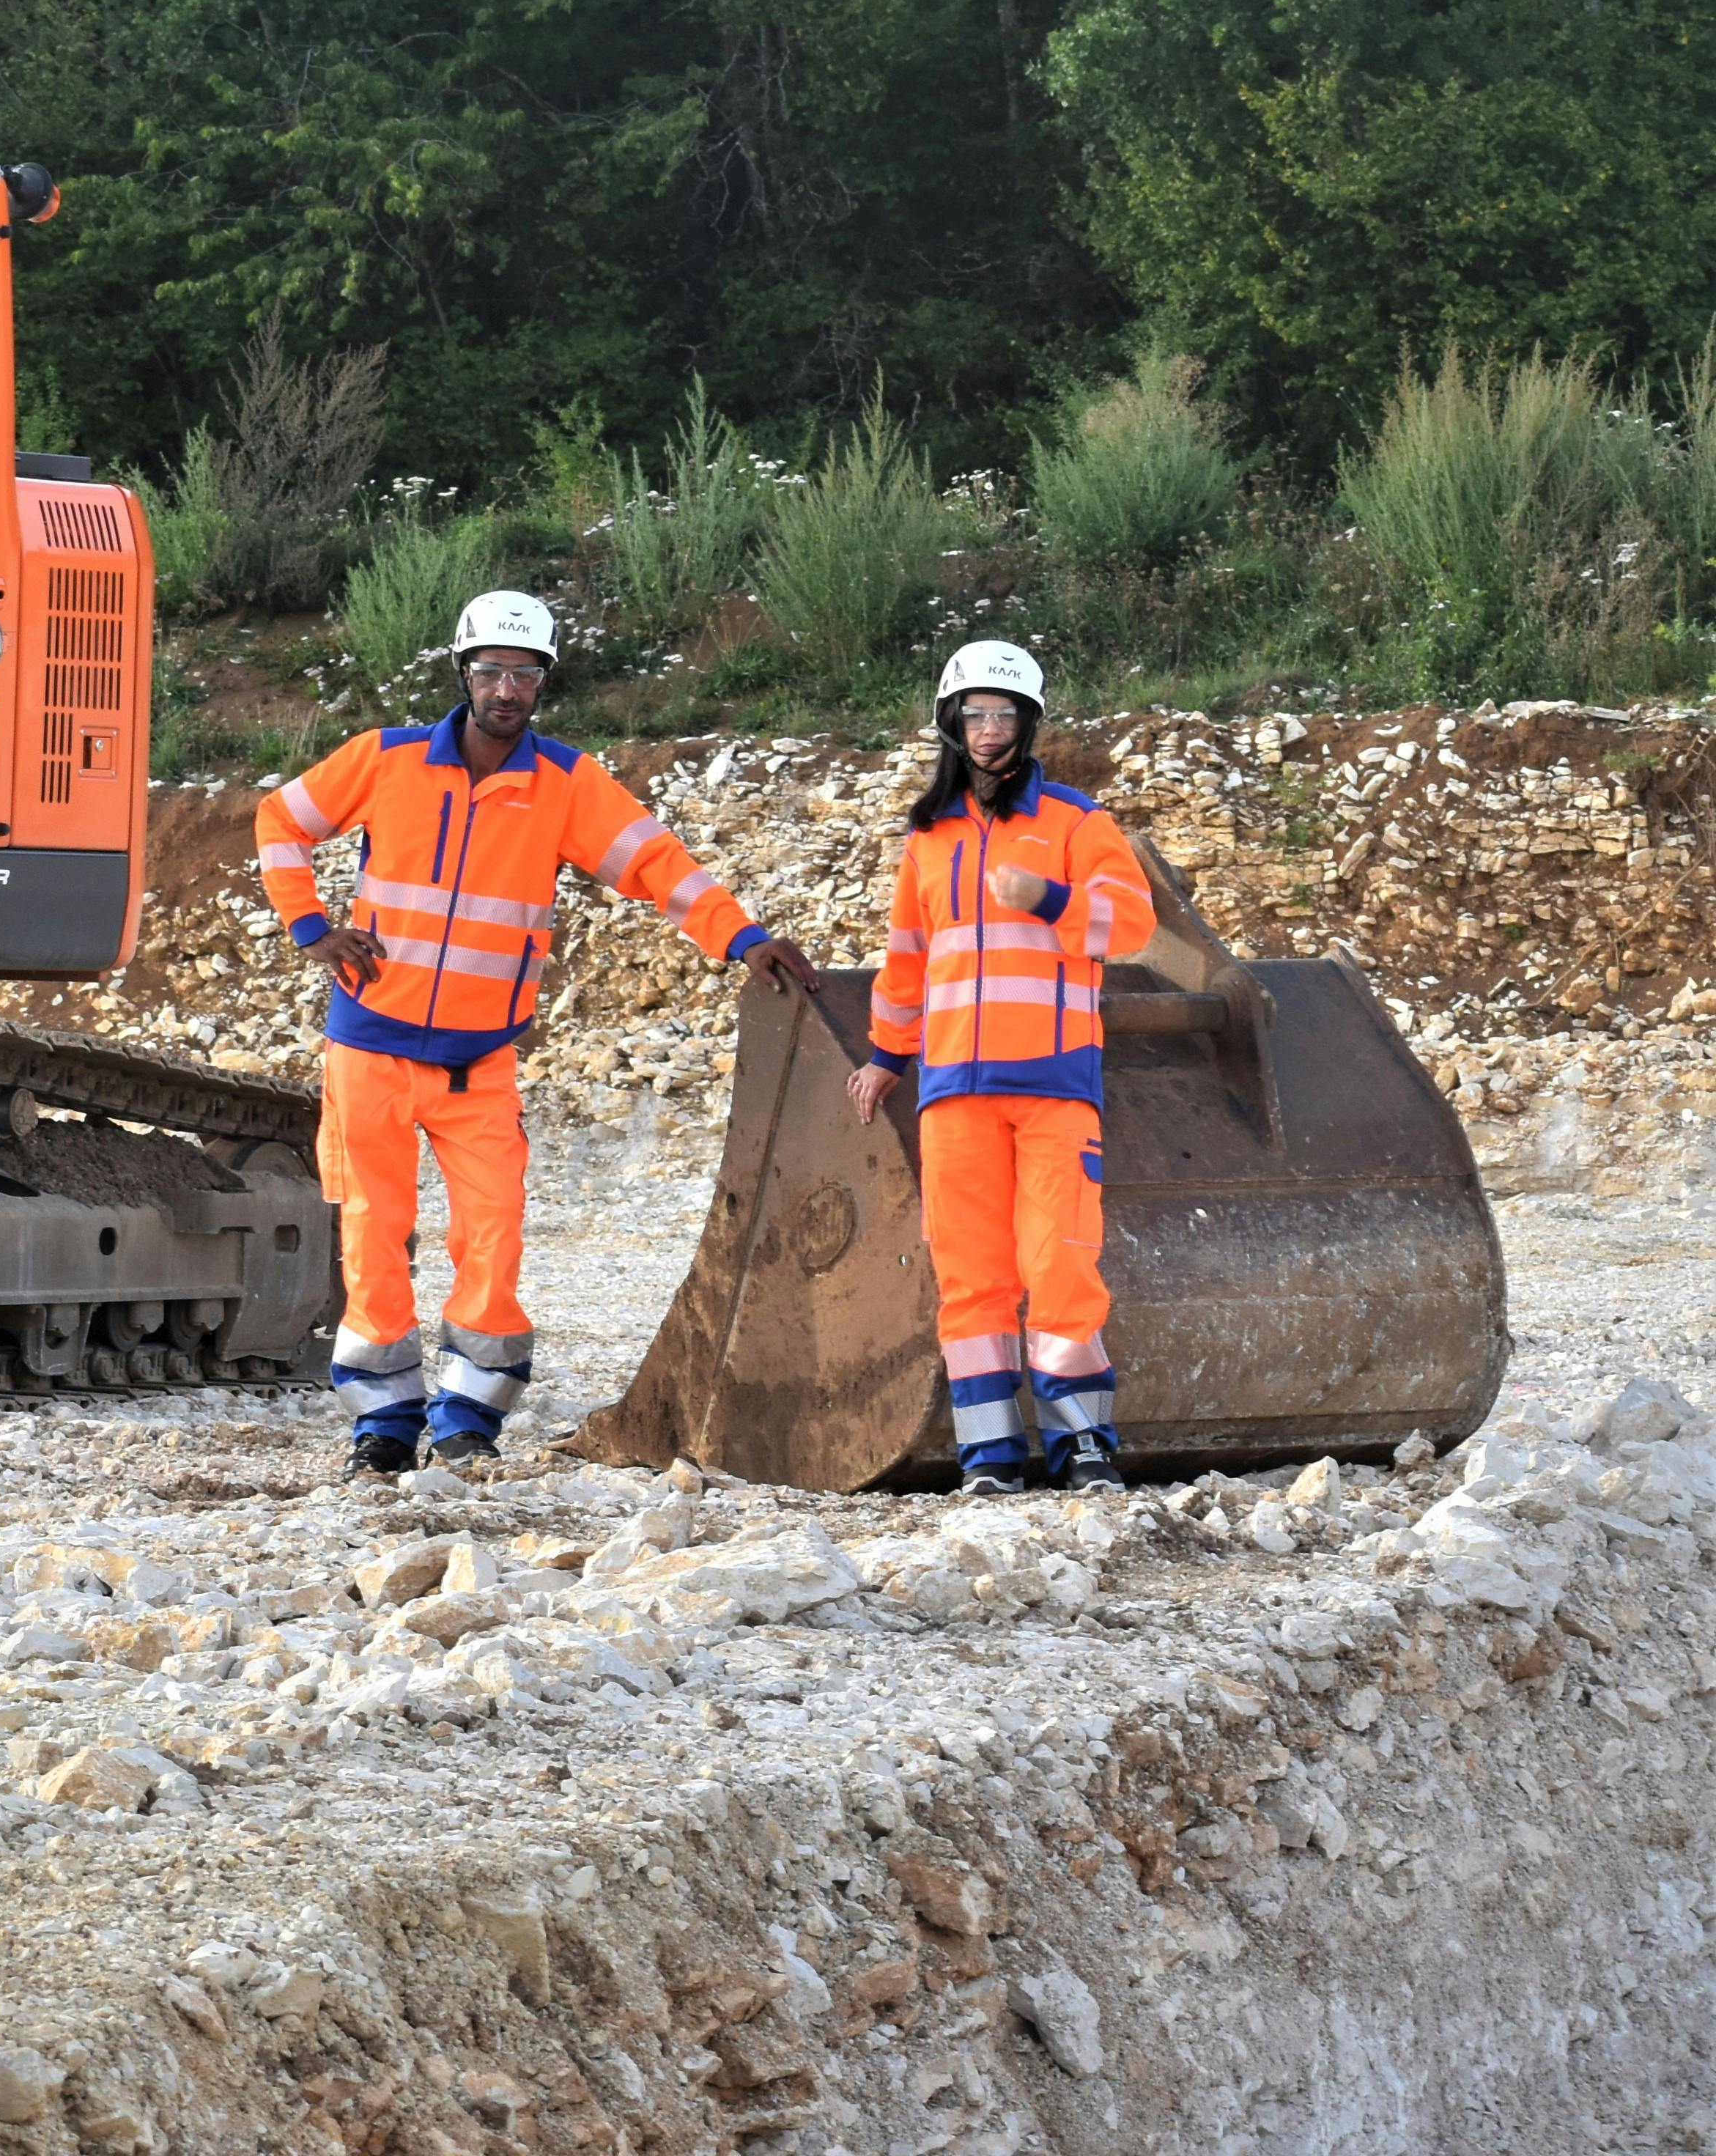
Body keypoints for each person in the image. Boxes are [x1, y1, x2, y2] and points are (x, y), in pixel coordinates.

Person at [264, 593, 820, 1476]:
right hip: (367, 1045)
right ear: (463, 673)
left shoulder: (566, 784)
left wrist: (742, 938)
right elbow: (281, 820)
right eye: (491, 670)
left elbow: (657, 865)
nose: (507, 688)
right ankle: (382, 1426)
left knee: (493, 1234)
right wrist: (311, 928)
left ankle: (470, 1421)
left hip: (477, 1060)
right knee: (372, 1234)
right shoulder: (387, 758)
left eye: (524, 673)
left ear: (544, 682)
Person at [846, 641, 1150, 1496]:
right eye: (974, 714)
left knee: (1060, 1267)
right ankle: (989, 1458)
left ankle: (1084, 1448)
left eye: (1004, 714)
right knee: (972, 1277)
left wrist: (1050, 899)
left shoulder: (1076, 821)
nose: (988, 730)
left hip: (1055, 1083)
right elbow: (906, 960)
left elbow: (1132, 924)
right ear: (953, 723)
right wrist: (884, 1058)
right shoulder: (929, 838)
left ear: (1029, 723)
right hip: (953, 1091)